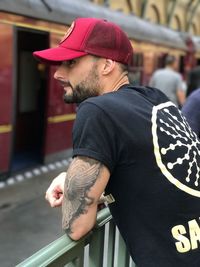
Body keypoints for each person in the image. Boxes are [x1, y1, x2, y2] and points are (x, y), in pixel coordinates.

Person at [33, 18, 200, 267]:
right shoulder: (156, 98)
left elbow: (77, 226)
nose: (58, 73)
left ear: (107, 65)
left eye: (71, 62)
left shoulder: (96, 110)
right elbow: (145, 167)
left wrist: (71, 184)